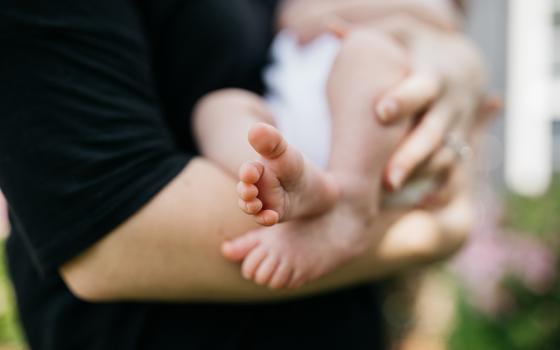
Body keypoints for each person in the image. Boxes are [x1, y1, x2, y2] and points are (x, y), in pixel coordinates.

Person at [0, 0, 485, 349]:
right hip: (295, 117)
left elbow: (443, 26)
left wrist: (456, 56)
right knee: (222, 108)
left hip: (365, 112)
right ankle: (292, 187)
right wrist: (441, 228)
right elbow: (110, 240)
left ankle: (348, 202)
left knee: (368, 57)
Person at [194, 26, 440, 289]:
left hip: (371, 141)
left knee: (369, 48)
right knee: (216, 107)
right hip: (288, 123)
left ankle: (350, 209)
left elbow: (437, 23)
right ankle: (279, 175)